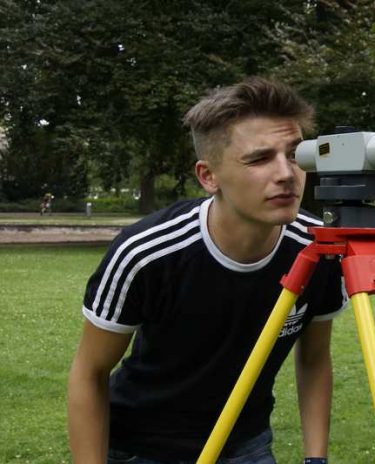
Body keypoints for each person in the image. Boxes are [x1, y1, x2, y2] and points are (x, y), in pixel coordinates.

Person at [68, 77, 347, 464]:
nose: (286, 173)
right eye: (259, 158)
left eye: (295, 154)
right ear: (207, 176)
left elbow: (315, 359)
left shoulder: (319, 249)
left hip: (245, 444)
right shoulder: (147, 252)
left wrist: (315, 459)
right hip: (141, 447)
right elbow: (89, 372)